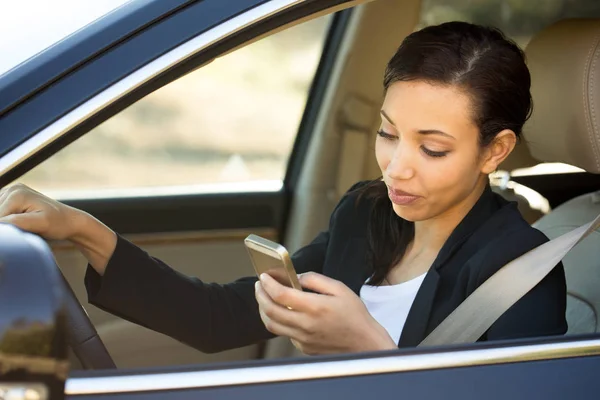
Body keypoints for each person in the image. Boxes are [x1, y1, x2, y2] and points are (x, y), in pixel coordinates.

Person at [0, 21, 567, 356]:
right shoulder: (366, 216)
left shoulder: (521, 274)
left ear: (494, 150)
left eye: (433, 149)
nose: (397, 168)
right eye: (388, 134)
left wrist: (369, 352)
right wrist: (80, 229)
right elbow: (216, 319)